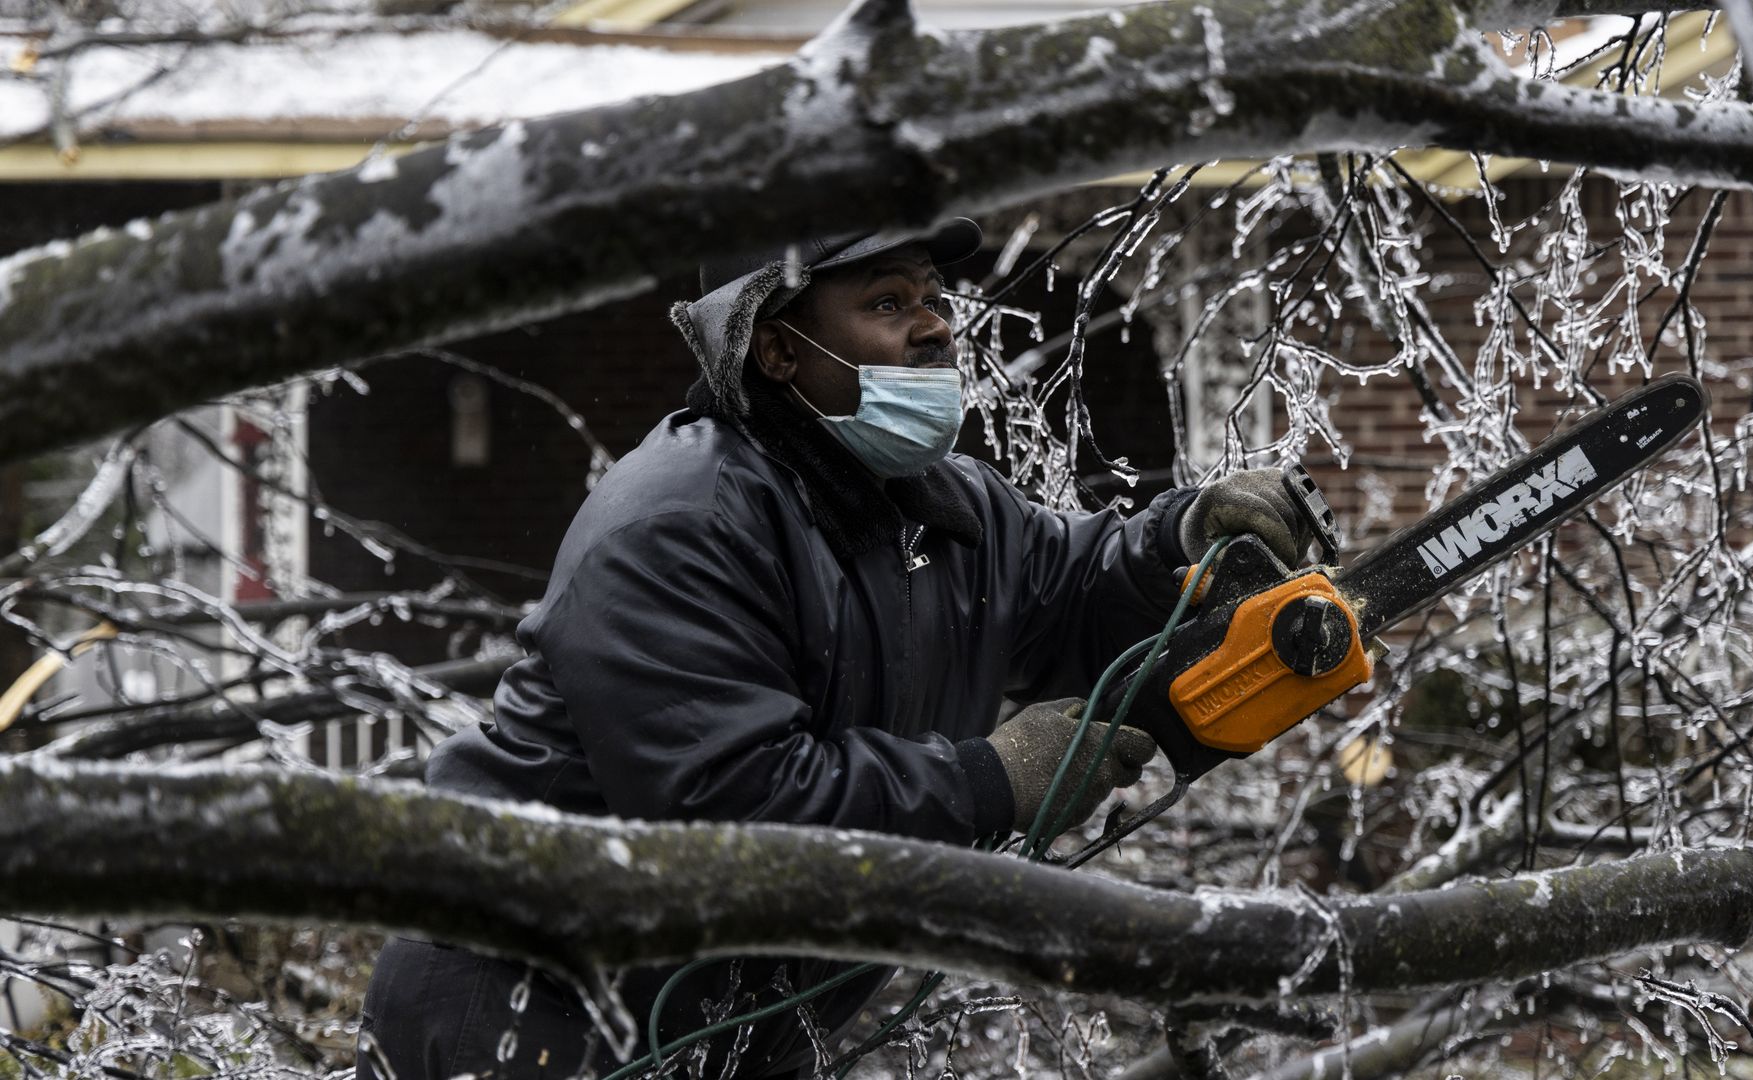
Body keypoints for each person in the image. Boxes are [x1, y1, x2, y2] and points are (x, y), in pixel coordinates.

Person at [356, 219, 1307, 1080]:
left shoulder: (939, 505)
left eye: (934, 299)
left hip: (720, 1018)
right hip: (526, 1004)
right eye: (887, 303)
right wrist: (988, 779)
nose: (934, 326)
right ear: (775, 347)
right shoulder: (682, 523)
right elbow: (731, 806)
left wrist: (1185, 536)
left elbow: (1071, 598)